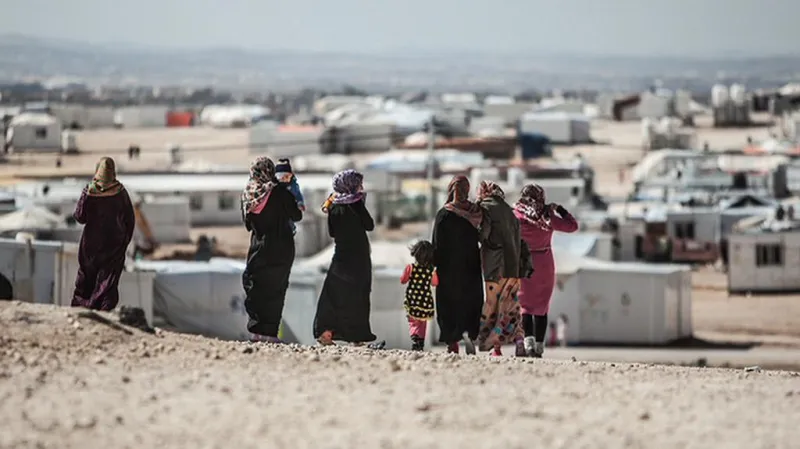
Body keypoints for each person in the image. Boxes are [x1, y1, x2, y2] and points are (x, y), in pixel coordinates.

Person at [313, 169, 380, 347]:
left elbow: (332, 232)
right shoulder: (356, 204)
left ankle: (325, 332)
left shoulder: (333, 206)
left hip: (341, 256)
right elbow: (369, 225)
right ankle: (356, 337)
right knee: (358, 296)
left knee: (334, 293)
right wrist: (360, 203)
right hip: (359, 258)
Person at [241, 156, 303, 343]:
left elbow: (248, 225)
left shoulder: (248, 194)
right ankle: (271, 333)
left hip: (260, 246)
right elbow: (297, 215)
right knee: (277, 288)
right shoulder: (280, 193)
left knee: (256, 285)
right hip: (283, 247)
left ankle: (257, 331)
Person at [514, 183, 578, 358]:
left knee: (525, 306)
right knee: (542, 307)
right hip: (544, 264)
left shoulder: (516, 215)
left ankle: (528, 344)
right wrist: (561, 210)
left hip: (523, 262)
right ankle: (540, 348)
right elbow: (572, 226)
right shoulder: (547, 216)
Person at [476, 180, 533, 357]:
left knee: (492, 307)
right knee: (511, 307)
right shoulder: (511, 212)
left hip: (494, 267)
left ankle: (495, 348)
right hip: (513, 267)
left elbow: (483, 235)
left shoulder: (484, 208)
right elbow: (519, 241)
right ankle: (518, 340)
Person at [71, 157, 136, 311]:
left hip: (90, 248)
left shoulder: (89, 191)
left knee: (86, 281)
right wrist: (124, 242)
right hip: (113, 247)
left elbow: (80, 217)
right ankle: (104, 311)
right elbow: (129, 220)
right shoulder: (120, 192)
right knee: (108, 283)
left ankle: (81, 309)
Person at [432, 175, 485, 354]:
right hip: (471, 266)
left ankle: (452, 342)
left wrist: (433, 264)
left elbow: (437, 244)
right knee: (471, 301)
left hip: (449, 269)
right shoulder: (476, 212)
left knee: (448, 304)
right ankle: (470, 334)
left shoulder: (444, 214)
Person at [401, 240, 439, 351]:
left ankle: (415, 338)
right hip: (425, 300)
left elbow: (403, 280)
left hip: (412, 299)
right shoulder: (431, 270)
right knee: (423, 322)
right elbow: (435, 283)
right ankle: (420, 342)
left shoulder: (411, 267)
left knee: (413, 321)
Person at [274, 158, 306, 234]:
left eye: (286, 177)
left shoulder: (293, 186)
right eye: (280, 177)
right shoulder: (274, 188)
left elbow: (298, 195)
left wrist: (300, 203)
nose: (283, 180)